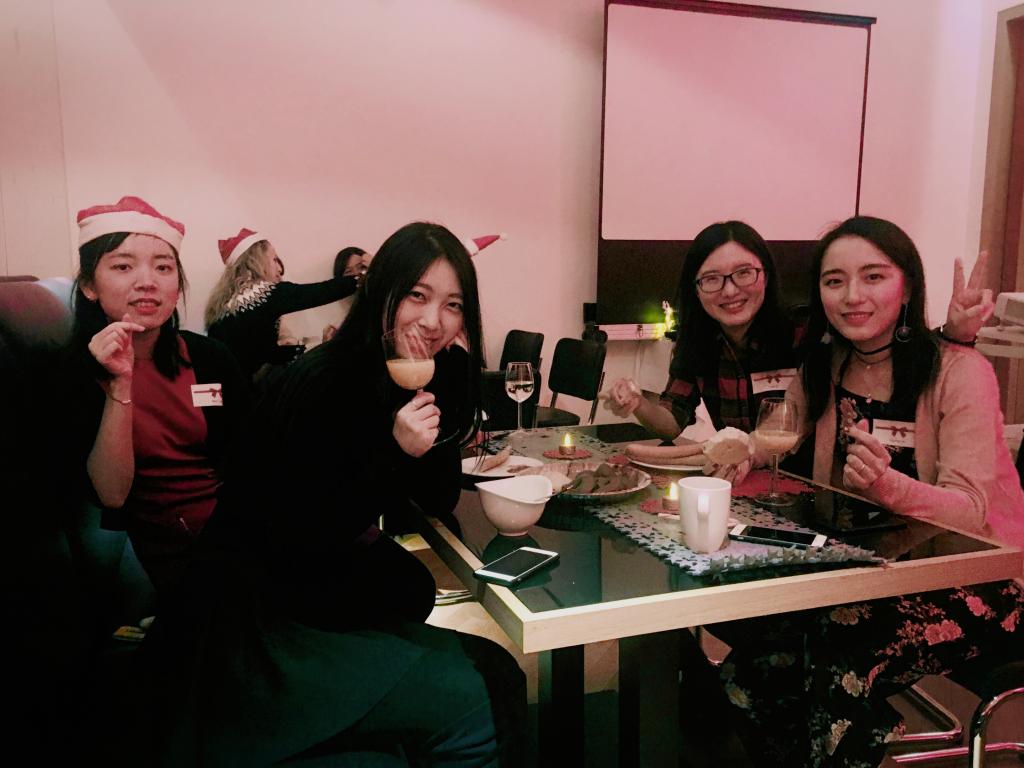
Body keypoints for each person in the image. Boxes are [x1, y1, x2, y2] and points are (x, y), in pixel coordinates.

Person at [121, 222, 526, 766]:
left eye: (452, 305)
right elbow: (301, 530)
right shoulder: (329, 379)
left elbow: (435, 498)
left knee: (445, 620)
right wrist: (392, 452)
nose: (434, 321)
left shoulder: (412, 372)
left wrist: (438, 391)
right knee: (483, 683)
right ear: (381, 292)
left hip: (304, 588)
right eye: (417, 295)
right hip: (258, 619)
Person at [715, 216, 1024, 767]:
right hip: (872, 573)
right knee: (750, 668)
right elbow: (779, 429)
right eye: (834, 281)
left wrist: (888, 486)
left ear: (906, 287)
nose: (852, 296)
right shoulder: (827, 364)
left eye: (873, 277)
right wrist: (744, 453)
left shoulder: (960, 371)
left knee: (839, 651)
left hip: (981, 579)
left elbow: (972, 513)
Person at [605, 220, 993, 480]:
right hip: (760, 483)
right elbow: (680, 420)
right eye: (712, 279)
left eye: (743, 273)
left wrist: (955, 338)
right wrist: (638, 403)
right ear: (696, 289)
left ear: (766, 275)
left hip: (812, 487)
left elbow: (895, 347)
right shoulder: (702, 344)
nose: (729, 290)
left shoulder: (807, 332)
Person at [65, 195, 250, 598]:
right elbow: (112, 495)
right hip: (160, 550)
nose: (147, 281)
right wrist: (120, 384)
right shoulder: (70, 373)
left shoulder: (209, 357)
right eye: (123, 266)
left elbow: (251, 454)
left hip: (232, 528)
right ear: (90, 286)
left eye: (163, 267)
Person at [204, 228, 361, 380]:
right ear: (257, 261)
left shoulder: (225, 304)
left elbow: (263, 353)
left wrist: (308, 349)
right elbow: (321, 292)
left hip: (223, 387)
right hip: (244, 389)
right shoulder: (263, 293)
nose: (279, 268)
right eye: (274, 259)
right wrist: (362, 277)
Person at [322, 245, 373, 342]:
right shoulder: (339, 324)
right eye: (348, 271)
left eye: (361, 267)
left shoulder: (385, 300)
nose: (357, 274)